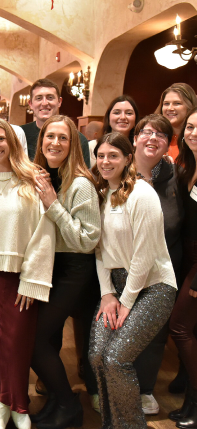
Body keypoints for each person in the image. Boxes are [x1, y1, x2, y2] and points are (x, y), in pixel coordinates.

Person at [0, 118, 56, 429]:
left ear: (13, 142)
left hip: (22, 277)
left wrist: (32, 280)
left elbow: (45, 232)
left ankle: (19, 405)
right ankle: (0, 407)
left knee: (16, 345)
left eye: (0, 139)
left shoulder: (33, 180)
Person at [89, 132, 177, 429]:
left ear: (128, 158)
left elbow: (145, 255)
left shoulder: (142, 193)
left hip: (153, 286)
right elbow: (99, 251)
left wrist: (126, 301)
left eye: (113, 155)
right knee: (97, 356)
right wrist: (106, 294)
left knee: (116, 359)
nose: (105, 161)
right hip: (117, 286)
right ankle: (111, 424)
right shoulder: (101, 197)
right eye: (101, 155)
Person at [30, 115, 101, 429]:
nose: (54, 143)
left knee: (36, 340)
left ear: (73, 145)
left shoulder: (81, 183)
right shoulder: (44, 176)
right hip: (51, 265)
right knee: (38, 340)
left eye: (62, 138)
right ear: (41, 141)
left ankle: (70, 405)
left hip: (75, 268)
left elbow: (87, 241)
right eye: (49, 137)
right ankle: (60, 402)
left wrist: (53, 204)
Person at [132, 114, 184, 415]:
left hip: (164, 267)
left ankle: (146, 389)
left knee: (155, 332)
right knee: (121, 329)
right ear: (136, 137)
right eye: (147, 132)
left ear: (168, 143)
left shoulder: (175, 174)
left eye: (161, 135)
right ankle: (117, 386)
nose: (153, 138)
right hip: (122, 268)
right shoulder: (117, 170)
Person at [169, 107, 197, 428]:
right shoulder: (185, 165)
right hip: (185, 255)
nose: (192, 133)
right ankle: (191, 399)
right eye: (189, 127)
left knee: (180, 327)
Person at [21, 78, 90, 167]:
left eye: (50, 97)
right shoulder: (19, 134)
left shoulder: (78, 138)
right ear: (30, 104)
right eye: (39, 98)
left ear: (59, 102)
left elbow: (83, 175)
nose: (45, 103)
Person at [88, 95, 139, 168]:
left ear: (135, 120)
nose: (123, 117)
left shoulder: (139, 149)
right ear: (108, 118)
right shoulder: (92, 147)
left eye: (129, 113)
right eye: (117, 113)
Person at [155, 83, 197, 162]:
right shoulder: (153, 137)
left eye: (177, 103)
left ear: (190, 106)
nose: (170, 108)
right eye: (166, 104)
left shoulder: (194, 138)